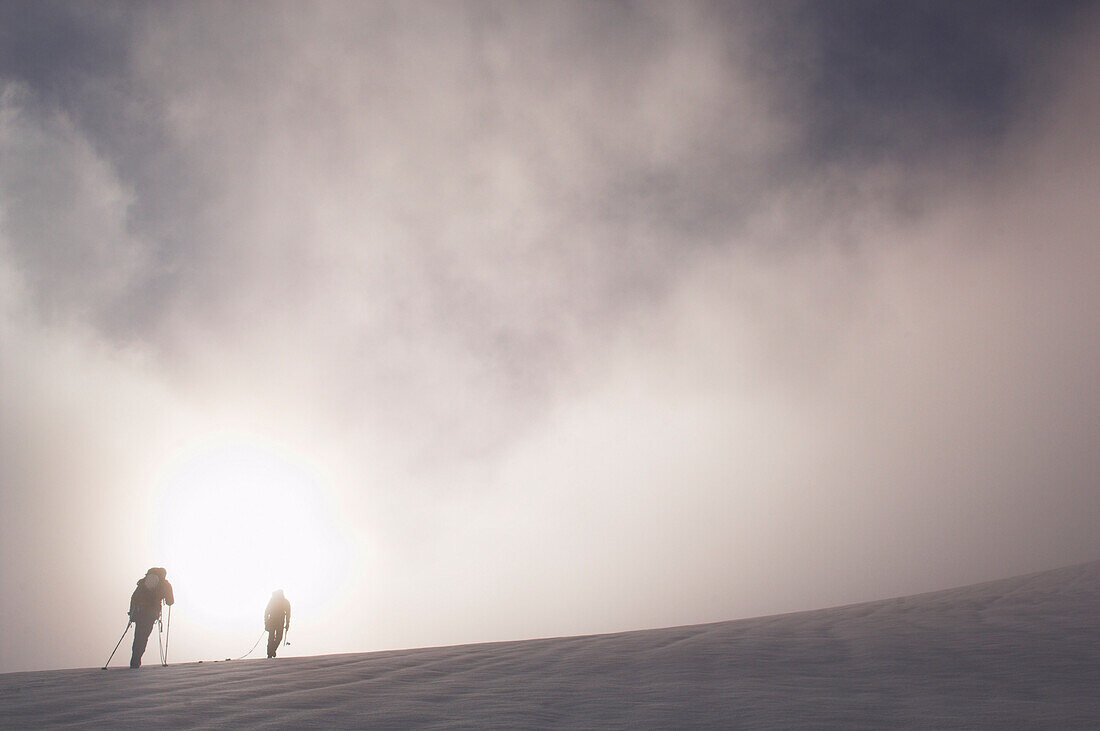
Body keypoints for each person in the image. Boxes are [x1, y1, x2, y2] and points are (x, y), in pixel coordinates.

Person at [128, 567, 174, 668]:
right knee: (143, 637)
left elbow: (134, 597)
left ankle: (134, 661)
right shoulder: (165, 584)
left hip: (140, 612)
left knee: (138, 637)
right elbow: (170, 601)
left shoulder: (143, 583)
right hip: (151, 613)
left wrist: (132, 614)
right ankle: (136, 662)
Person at [265, 589, 291, 658]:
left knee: (273, 638)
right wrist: (287, 623)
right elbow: (288, 613)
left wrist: (266, 623)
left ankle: (271, 651)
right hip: (277, 622)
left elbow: (266, 612)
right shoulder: (284, 601)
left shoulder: (274, 601)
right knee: (276, 637)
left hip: (275, 622)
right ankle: (271, 652)